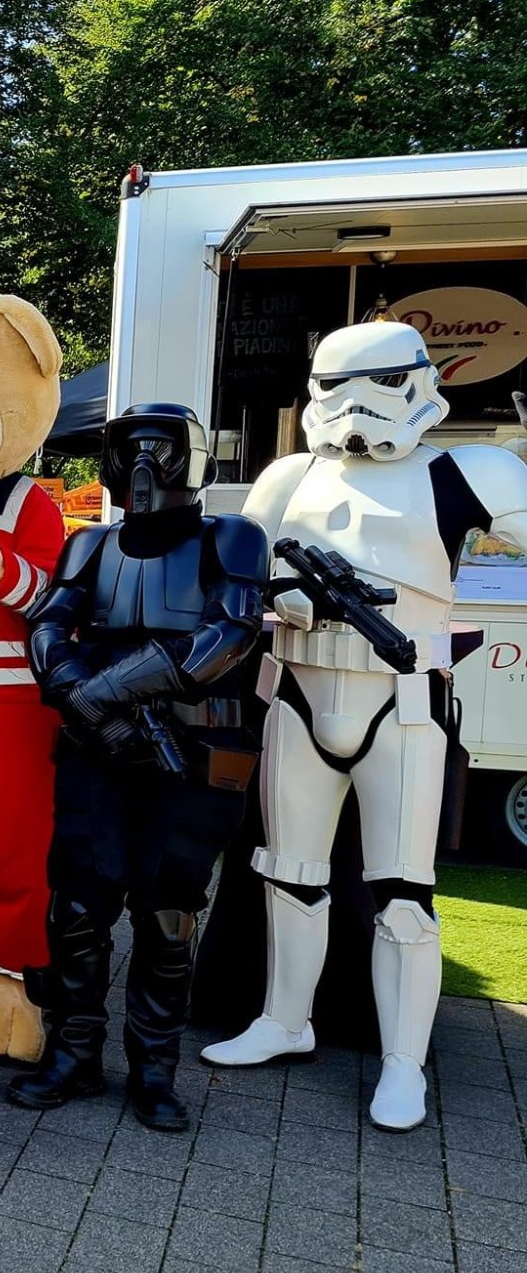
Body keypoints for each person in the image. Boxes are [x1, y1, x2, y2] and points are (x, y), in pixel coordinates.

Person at [201, 322, 527, 1131]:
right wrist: (278, 596)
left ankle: (402, 1063)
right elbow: (235, 577)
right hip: (298, 693)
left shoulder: (467, 472)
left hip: (403, 701)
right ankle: (284, 1019)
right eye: (335, 385)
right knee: (288, 871)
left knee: (404, 894)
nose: (354, 405)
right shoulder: (289, 476)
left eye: (378, 382)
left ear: (417, 380)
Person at [11, 405, 268, 1131]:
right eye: (130, 448)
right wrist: (79, 694)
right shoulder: (90, 544)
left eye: (159, 447)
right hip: (98, 751)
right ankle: (74, 1052)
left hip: (188, 756)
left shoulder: (232, 537)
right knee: (77, 907)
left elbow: (231, 633)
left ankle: (155, 1068)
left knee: (168, 914)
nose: (144, 464)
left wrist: (100, 691)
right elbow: (48, 624)